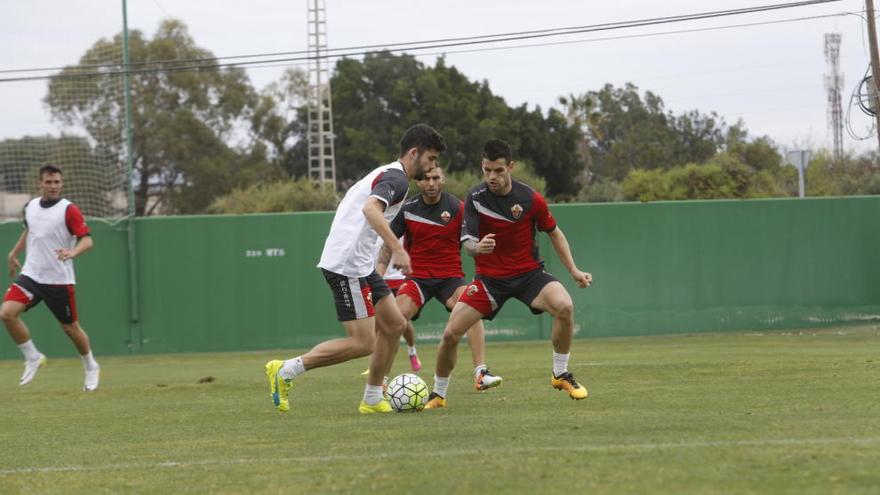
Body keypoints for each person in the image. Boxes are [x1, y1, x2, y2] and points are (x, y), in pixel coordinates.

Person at [264, 123, 447, 414]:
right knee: (364, 343)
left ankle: (372, 398)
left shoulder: (389, 174)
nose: (433, 166)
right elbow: (370, 209)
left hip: (360, 265)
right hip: (347, 265)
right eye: (431, 159)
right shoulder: (397, 179)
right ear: (415, 153)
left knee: (396, 325)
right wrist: (398, 248)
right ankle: (285, 370)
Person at [425, 139, 593, 409]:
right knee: (450, 334)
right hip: (490, 280)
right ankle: (438, 394)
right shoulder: (476, 198)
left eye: (498, 170)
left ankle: (560, 373)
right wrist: (478, 248)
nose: (492, 176)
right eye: (487, 170)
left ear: (511, 167)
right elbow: (468, 242)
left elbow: (555, 233)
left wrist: (574, 270)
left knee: (565, 306)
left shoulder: (530, 199)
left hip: (529, 275)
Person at [377, 166, 502, 391]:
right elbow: (387, 246)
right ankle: (381, 382)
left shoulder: (458, 208)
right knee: (393, 321)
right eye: (426, 179)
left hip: (451, 279)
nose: (431, 183)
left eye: (436, 178)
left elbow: (472, 242)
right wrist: (378, 274)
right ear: (418, 182)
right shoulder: (408, 209)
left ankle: (481, 373)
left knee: (473, 309)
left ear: (443, 180)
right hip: (418, 279)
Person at [1, 164, 100, 391]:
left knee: (70, 328)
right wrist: (13, 253)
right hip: (31, 275)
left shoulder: (69, 210)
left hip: (59, 280)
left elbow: (87, 240)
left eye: (57, 182)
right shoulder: (31, 207)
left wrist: (72, 252)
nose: (53, 186)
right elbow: (30, 231)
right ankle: (33, 357)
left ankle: (91, 365)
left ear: (61, 183)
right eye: (49, 182)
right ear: (40, 183)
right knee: (7, 314)